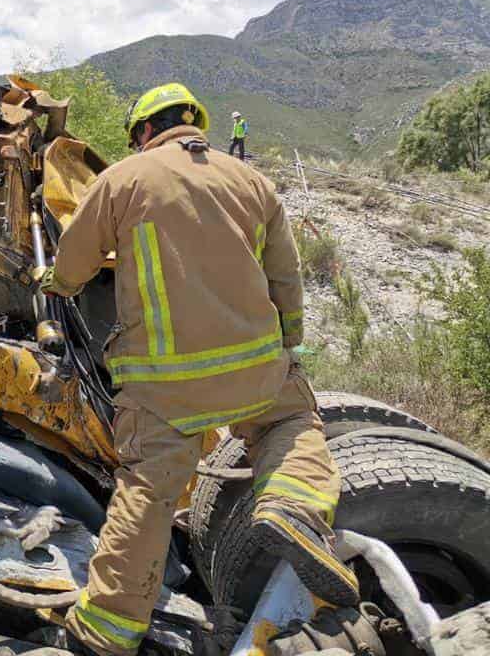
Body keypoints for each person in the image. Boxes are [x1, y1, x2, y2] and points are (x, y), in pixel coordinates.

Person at [41, 83, 357, 656]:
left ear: (144, 131)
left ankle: (107, 629)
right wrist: (289, 346)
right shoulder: (252, 182)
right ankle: (292, 506)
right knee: (290, 424)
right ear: (195, 124)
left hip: (163, 385)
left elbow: (73, 263)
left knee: (147, 493)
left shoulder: (123, 179)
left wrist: (53, 285)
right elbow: (286, 277)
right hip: (253, 367)